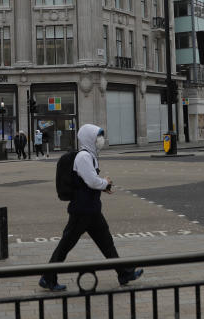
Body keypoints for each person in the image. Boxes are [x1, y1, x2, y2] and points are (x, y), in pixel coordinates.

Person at [39, 124, 143, 292]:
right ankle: (47, 278)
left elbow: (91, 181)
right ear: (89, 138)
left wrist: (104, 187)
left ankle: (124, 273)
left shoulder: (90, 156)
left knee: (107, 243)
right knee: (65, 245)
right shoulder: (84, 157)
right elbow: (92, 181)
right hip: (82, 210)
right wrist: (105, 183)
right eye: (98, 136)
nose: (100, 140)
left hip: (91, 210)